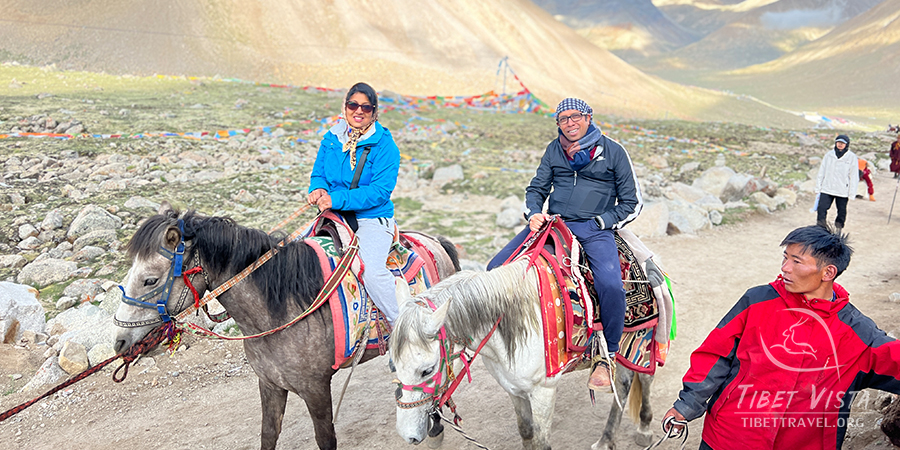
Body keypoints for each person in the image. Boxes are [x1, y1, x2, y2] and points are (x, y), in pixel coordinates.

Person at [662, 225, 900, 450]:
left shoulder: (857, 332)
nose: (785, 267)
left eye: (796, 261)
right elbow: (715, 355)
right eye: (785, 258)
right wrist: (687, 404)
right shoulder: (757, 301)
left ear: (828, 272)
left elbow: (893, 361)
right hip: (730, 436)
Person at [486, 97, 643, 390]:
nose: (569, 123)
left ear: (588, 117)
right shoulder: (554, 149)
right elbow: (537, 188)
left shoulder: (614, 151)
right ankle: (510, 338)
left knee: (610, 285)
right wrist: (534, 213)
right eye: (563, 119)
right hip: (555, 224)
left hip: (595, 228)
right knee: (495, 268)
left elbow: (632, 203)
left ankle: (607, 354)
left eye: (575, 117)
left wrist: (602, 222)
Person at [308, 82, 402, 325]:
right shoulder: (332, 137)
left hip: (371, 218)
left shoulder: (385, 146)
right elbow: (319, 173)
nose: (358, 111)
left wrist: (336, 199)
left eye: (366, 107)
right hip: (335, 215)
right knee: (297, 255)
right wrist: (317, 189)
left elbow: (380, 192)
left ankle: (402, 326)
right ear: (345, 106)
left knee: (371, 272)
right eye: (353, 105)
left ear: (374, 111)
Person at [815, 135, 858, 233]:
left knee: (841, 211)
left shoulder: (851, 157)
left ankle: (839, 228)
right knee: (821, 208)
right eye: (838, 142)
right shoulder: (828, 155)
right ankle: (820, 228)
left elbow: (853, 176)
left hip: (842, 189)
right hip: (827, 187)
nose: (840, 145)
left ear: (847, 144)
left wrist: (852, 193)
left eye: (842, 143)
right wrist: (818, 187)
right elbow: (821, 172)